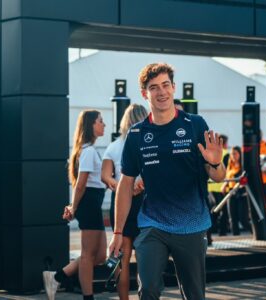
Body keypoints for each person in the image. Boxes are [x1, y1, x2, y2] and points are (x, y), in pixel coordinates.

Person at [108, 63, 226, 300]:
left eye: (165, 85)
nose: (161, 92)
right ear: (145, 94)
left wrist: (215, 162)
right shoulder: (137, 135)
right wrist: (118, 232)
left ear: (173, 87)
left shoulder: (195, 125)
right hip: (153, 225)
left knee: (194, 295)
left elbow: (218, 176)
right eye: (154, 88)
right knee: (149, 288)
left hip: (191, 224)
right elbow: (125, 184)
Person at [43, 110, 107, 300]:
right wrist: (73, 207)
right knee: (88, 255)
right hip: (88, 204)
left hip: (93, 202)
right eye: (100, 121)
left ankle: (56, 277)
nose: (103, 124)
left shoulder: (90, 150)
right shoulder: (87, 151)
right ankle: (88, 297)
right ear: (90, 125)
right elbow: (80, 184)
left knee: (100, 256)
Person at [101, 104, 148, 299]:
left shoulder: (113, 146)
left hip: (121, 203)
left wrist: (120, 186)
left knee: (123, 258)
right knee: (145, 257)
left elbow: (105, 177)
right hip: (145, 201)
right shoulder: (147, 142)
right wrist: (136, 187)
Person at [221, 146, 250, 235]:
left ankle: (255, 231)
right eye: (232, 154)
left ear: (240, 155)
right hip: (231, 192)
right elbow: (228, 177)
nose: (233, 156)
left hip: (241, 193)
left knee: (242, 218)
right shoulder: (230, 165)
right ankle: (235, 235)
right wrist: (224, 185)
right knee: (232, 218)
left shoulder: (243, 165)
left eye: (235, 154)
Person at [208, 134, 230, 236]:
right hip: (221, 187)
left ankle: (211, 232)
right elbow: (227, 172)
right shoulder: (226, 154)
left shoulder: (210, 153)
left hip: (210, 186)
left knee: (212, 209)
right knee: (223, 211)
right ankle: (222, 232)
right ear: (225, 143)